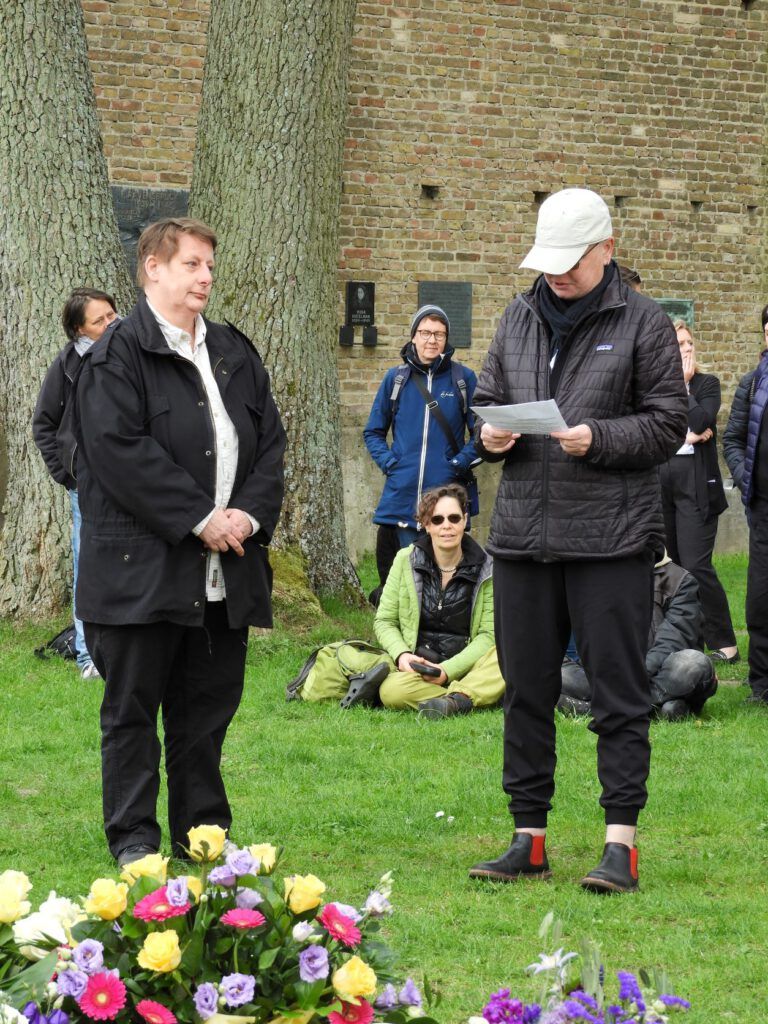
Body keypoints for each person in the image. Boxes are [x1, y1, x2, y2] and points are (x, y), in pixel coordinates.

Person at [468, 187, 687, 893]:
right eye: (549, 260)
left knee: (618, 696)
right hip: (524, 540)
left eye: (572, 261)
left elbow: (667, 425)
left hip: (611, 544)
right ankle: (527, 839)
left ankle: (619, 845)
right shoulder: (517, 315)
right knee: (526, 693)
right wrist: (489, 434)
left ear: (608, 251)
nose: (557, 274)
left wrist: (598, 439)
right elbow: (487, 399)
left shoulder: (645, 323)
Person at [74, 217, 286, 865]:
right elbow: (119, 454)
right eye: (192, 264)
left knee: (204, 716)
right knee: (133, 714)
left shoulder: (233, 352)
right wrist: (202, 517)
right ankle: (135, 841)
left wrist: (246, 516)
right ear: (153, 269)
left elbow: (270, 445)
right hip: (141, 576)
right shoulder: (117, 355)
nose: (205, 278)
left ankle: (203, 836)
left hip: (224, 575)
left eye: (209, 267)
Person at [288, 484, 503, 718]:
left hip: (468, 667)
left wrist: (446, 671)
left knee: (505, 656)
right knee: (391, 691)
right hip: (417, 670)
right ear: (426, 524)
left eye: (454, 518)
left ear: (464, 520)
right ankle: (468, 697)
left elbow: (488, 635)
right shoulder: (405, 560)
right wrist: (403, 656)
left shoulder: (488, 567)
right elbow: (385, 620)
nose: (446, 526)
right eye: (437, 519)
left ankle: (458, 697)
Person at [32, 287, 119, 680]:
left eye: (112, 314)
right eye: (99, 320)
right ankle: (88, 658)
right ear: (78, 329)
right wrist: (67, 472)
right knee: (88, 565)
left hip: (133, 480)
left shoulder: (132, 354)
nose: (110, 323)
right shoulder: (66, 365)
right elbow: (43, 424)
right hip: (87, 485)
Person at [363, 305, 479, 587]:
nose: (432, 340)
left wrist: (458, 464)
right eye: (425, 332)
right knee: (404, 577)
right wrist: (391, 464)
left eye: (439, 334)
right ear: (413, 336)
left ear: (446, 339)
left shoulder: (463, 379)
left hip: (446, 498)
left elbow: (481, 435)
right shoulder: (396, 379)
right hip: (403, 497)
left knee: (444, 576)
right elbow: (373, 432)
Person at [659, 321, 738, 664]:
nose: (687, 349)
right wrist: (684, 439)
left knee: (696, 565)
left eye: (689, 343)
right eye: (679, 344)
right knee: (672, 566)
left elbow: (700, 421)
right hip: (662, 482)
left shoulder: (707, 384)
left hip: (696, 485)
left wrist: (683, 387)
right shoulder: (655, 386)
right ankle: (685, 640)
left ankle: (725, 642)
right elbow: (653, 430)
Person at [559, 552, 717, 721]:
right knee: (554, 667)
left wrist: (633, 675)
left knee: (693, 663)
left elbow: (672, 642)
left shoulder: (681, 580)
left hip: (661, 672)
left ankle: (598, 707)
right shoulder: (602, 579)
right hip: (611, 676)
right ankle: (657, 708)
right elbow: (596, 639)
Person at [723, 303, 768, 705]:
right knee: (760, 598)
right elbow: (732, 439)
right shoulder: (752, 384)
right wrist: (744, 476)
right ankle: (761, 684)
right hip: (764, 509)